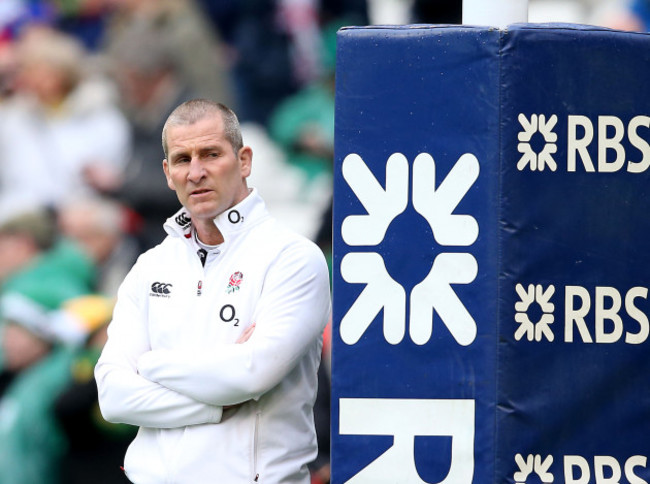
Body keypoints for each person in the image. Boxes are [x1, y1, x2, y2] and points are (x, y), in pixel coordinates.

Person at [95, 99, 331, 483]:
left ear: (244, 161)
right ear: (168, 173)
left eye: (210, 154)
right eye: (183, 159)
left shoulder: (293, 258)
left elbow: (252, 374)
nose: (196, 172)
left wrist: (152, 366)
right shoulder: (150, 265)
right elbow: (113, 398)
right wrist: (217, 404)